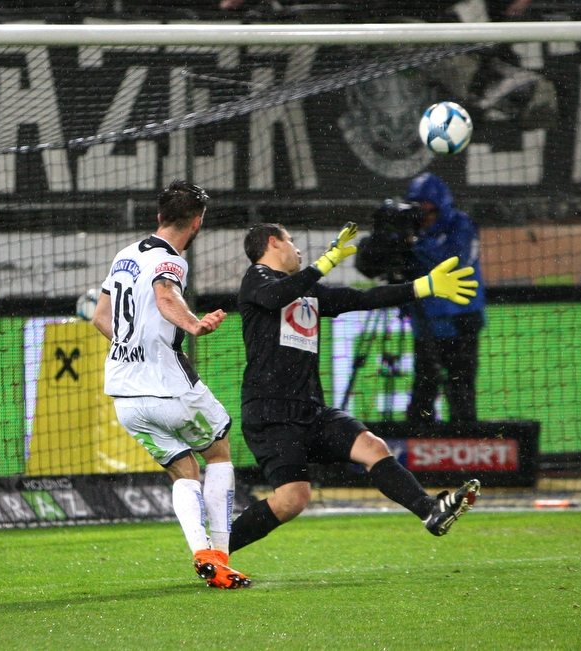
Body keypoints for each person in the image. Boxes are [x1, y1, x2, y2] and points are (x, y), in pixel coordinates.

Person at [228, 221, 482, 557]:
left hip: (311, 409)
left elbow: (361, 298)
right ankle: (217, 550)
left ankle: (430, 511)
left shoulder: (307, 291)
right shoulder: (257, 279)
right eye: (291, 241)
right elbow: (276, 297)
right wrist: (323, 264)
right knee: (292, 500)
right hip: (272, 413)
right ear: (273, 243)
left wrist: (423, 286)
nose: (298, 249)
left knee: (372, 447)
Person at [91, 180, 250, 589]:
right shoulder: (172, 261)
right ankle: (220, 554)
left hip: (126, 396)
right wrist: (195, 324)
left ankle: (202, 555)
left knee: (183, 471)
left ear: (160, 216)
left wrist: (131, 345)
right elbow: (165, 297)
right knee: (218, 453)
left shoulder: (124, 255)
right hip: (168, 387)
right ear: (197, 223)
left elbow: (99, 319)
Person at [403, 173, 486, 424]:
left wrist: (415, 244)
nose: (425, 217)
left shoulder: (462, 225)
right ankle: (419, 451)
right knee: (424, 387)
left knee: (460, 389)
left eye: (429, 210)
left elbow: (454, 260)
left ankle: (465, 447)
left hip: (461, 320)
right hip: (426, 323)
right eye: (420, 210)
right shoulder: (410, 231)